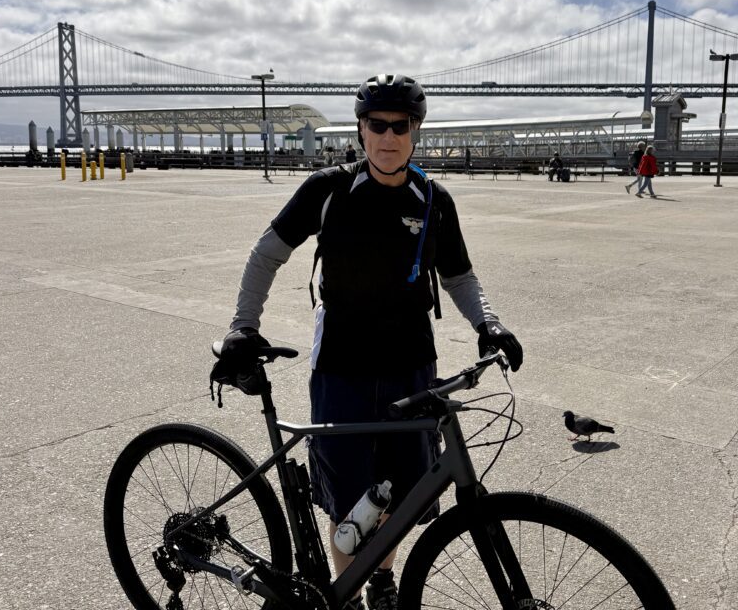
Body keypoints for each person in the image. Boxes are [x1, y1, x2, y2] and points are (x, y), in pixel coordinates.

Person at [215, 73, 524, 610]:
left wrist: (488, 323)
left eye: (400, 126)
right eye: (376, 125)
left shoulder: (433, 200)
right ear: (360, 129)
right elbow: (266, 254)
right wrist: (244, 325)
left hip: (412, 364)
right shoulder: (328, 190)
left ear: (416, 131)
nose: (388, 136)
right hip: (342, 364)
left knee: (401, 492)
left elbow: (459, 277)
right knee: (349, 498)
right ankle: (349, 598)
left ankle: (382, 580)